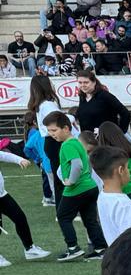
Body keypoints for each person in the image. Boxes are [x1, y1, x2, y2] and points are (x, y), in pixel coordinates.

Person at [45, 110, 106, 260]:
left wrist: (71, 181)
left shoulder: (67, 145)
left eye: (54, 130)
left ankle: (73, 248)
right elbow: (87, 162)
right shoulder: (78, 142)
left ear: (66, 128)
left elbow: (77, 164)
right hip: (90, 187)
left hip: (76, 188)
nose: (51, 134)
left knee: (62, 216)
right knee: (90, 220)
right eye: (49, 131)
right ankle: (101, 249)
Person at [0, 147, 46, 263]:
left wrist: (20, 160)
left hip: (2, 195)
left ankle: (30, 249)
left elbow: (4, 155)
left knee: (20, 218)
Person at [91, 147, 131, 245]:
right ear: (121, 170)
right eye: (127, 167)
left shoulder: (103, 196)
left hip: (115, 250)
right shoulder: (123, 205)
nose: (129, 171)